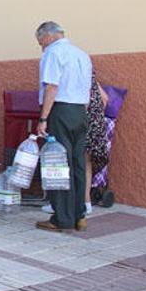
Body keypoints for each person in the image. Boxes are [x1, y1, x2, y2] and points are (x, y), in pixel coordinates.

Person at [33, 21, 92, 232]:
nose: (42, 47)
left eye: (41, 43)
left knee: (58, 164)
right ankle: (79, 215)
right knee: (77, 163)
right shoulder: (82, 55)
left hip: (60, 111)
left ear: (48, 37)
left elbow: (52, 86)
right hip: (80, 112)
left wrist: (43, 118)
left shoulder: (53, 53)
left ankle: (61, 218)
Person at [43, 71, 108, 215]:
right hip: (95, 123)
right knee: (85, 162)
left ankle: (64, 205)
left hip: (78, 120)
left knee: (67, 161)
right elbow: (105, 99)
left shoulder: (69, 77)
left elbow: (80, 102)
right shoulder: (90, 76)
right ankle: (86, 203)